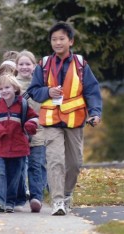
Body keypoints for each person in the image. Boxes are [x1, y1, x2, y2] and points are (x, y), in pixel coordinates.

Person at [27, 22, 102, 215]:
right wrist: (48, 91)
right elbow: (33, 91)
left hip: (75, 120)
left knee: (75, 163)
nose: (57, 42)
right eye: (54, 39)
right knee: (55, 160)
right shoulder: (43, 64)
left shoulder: (80, 64)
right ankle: (58, 201)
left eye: (62, 39)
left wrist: (95, 112)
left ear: (71, 41)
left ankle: (67, 194)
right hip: (51, 121)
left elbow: (92, 90)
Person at [0, 74, 38, 213]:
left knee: (15, 175)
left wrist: (30, 125)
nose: (4, 91)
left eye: (7, 87)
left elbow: (34, 118)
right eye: (0, 88)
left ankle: (10, 201)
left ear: (15, 88)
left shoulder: (23, 105)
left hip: (18, 147)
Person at [14, 50, 47, 213]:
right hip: (18, 132)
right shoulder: (12, 84)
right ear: (16, 66)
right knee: (19, 167)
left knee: (36, 164)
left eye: (28, 64)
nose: (25, 67)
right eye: (21, 64)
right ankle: (19, 196)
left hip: (39, 131)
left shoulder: (41, 85)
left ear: (34, 66)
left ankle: (36, 197)